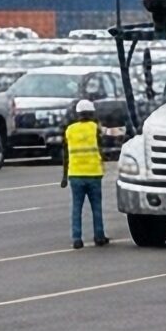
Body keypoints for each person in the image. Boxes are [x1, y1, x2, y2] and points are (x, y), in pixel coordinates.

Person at [63, 96, 108, 250]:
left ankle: (77, 238)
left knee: (76, 208)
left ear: (78, 114)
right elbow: (102, 147)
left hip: (75, 174)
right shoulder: (95, 128)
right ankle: (99, 236)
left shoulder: (70, 130)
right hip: (94, 174)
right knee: (96, 207)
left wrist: (64, 177)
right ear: (91, 113)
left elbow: (66, 155)